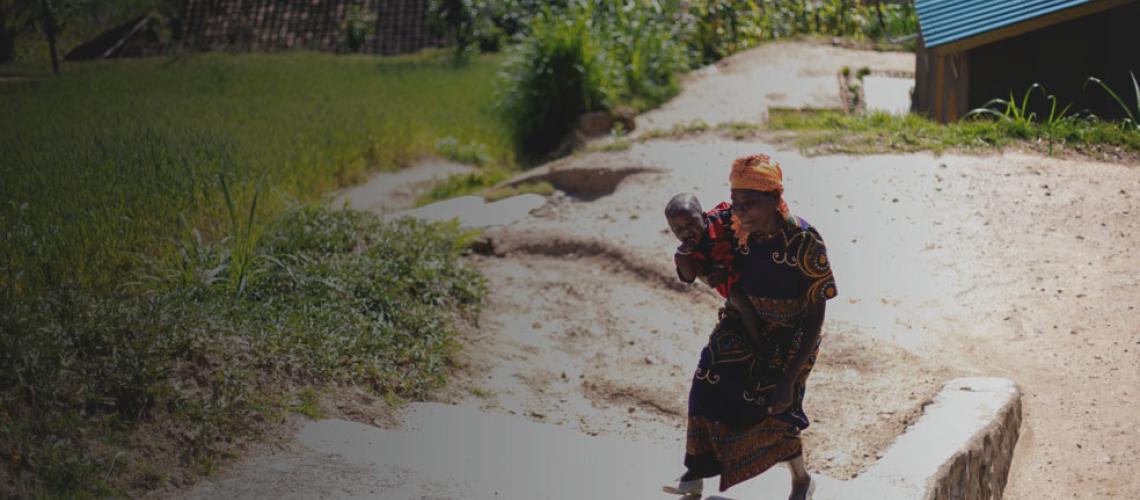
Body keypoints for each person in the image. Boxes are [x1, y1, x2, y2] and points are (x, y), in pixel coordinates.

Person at [663, 154, 837, 499]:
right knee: (708, 375)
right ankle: (694, 473)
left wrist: (789, 378)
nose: (739, 210)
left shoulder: (803, 239)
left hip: (792, 333)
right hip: (741, 321)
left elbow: (816, 313)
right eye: (735, 200)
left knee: (777, 406)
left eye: (749, 202)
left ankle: (801, 480)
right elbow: (700, 259)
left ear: (774, 198)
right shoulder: (732, 228)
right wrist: (702, 271)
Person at [664, 193, 766, 347]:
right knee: (745, 308)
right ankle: (760, 346)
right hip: (729, 282)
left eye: (690, 223)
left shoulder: (723, 219)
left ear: (703, 217)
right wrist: (683, 254)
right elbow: (688, 277)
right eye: (678, 229)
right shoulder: (686, 253)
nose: (686, 231)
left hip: (748, 262)